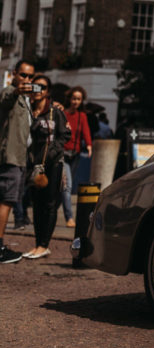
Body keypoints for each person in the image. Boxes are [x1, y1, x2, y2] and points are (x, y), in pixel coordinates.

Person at [23, 74, 71, 261]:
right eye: (35, 86)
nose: (38, 90)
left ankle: (44, 245)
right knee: (37, 204)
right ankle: (37, 245)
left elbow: (64, 135)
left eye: (42, 87)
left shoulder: (55, 112)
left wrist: (52, 153)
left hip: (53, 164)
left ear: (48, 91)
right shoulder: (27, 110)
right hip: (33, 165)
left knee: (50, 204)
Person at [0, 60, 35, 264]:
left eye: (30, 77)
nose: (27, 80)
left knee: (7, 202)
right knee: (5, 201)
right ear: (14, 74)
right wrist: (16, 91)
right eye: (23, 75)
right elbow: (6, 98)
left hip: (19, 158)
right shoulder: (10, 92)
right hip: (10, 158)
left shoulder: (26, 100)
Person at [62, 86, 92, 224]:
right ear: (70, 99)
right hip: (63, 154)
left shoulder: (82, 116)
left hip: (75, 154)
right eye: (74, 98)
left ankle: (52, 212)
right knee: (67, 186)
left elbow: (85, 132)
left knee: (66, 185)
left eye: (78, 99)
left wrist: (89, 146)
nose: (76, 101)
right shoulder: (63, 113)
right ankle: (69, 217)